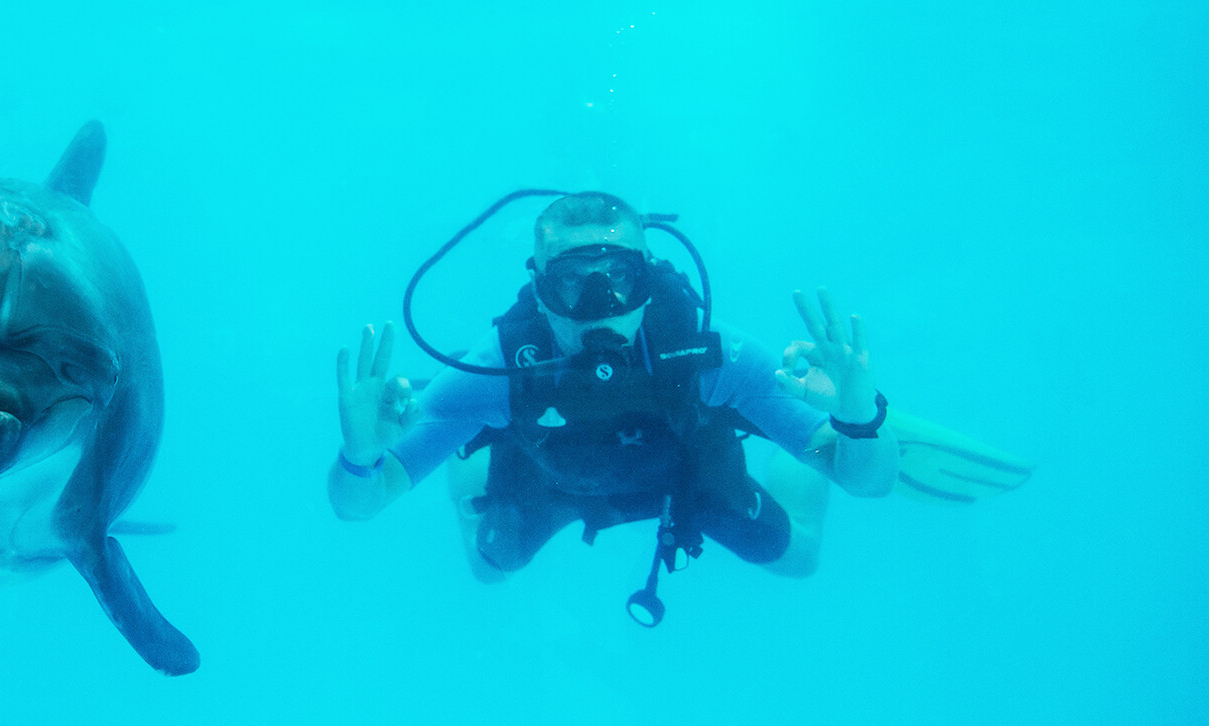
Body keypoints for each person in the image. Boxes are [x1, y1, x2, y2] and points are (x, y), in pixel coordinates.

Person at [329, 191, 900, 613]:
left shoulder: (708, 351)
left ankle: (797, 449)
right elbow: (359, 504)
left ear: (648, 280)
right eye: (573, 282)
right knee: (490, 566)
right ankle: (468, 458)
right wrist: (361, 455)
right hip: (549, 475)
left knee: (798, 558)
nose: (601, 303)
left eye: (621, 277)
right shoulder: (497, 369)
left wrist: (857, 422)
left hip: (687, 470)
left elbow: (868, 482)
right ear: (540, 290)